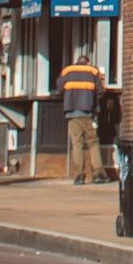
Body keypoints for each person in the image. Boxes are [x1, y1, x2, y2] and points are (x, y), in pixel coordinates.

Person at [57, 49, 105, 185]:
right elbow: (101, 91)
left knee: (76, 144)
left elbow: (59, 87)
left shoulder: (67, 70)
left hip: (72, 113)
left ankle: (79, 176)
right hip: (87, 112)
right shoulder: (92, 71)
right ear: (87, 61)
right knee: (93, 142)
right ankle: (98, 173)